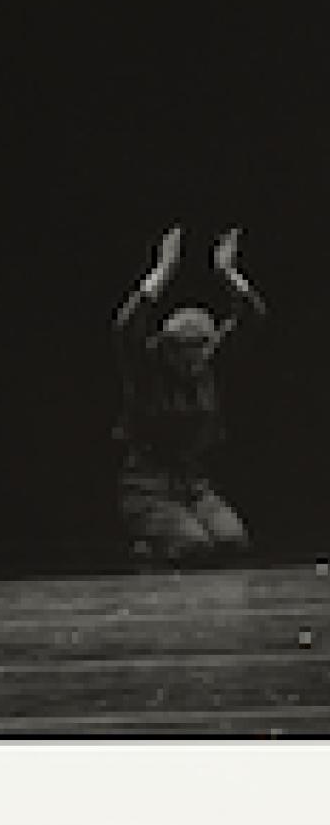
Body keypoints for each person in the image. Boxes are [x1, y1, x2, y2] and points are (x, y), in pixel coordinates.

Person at [114, 226, 266, 568]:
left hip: (194, 484)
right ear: (169, 349)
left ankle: (177, 535)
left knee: (232, 541)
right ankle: (147, 548)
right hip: (146, 486)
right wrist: (161, 273)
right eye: (186, 353)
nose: (195, 362)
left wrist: (229, 274)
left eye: (201, 350)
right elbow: (126, 327)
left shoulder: (210, 365)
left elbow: (251, 318)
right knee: (193, 547)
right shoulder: (147, 371)